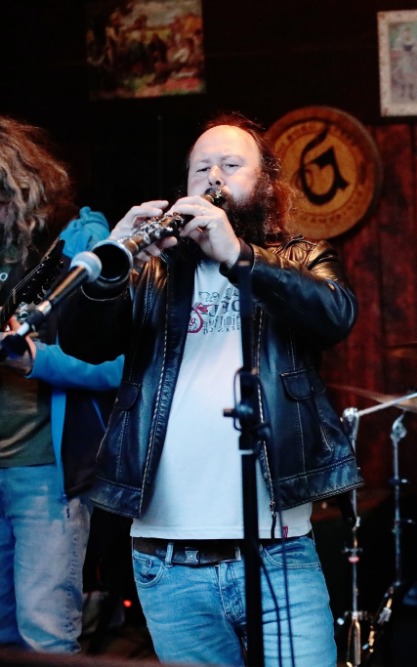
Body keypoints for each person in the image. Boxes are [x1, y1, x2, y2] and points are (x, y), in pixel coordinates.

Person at [60, 113, 363, 667]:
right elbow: (85, 343)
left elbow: (335, 314)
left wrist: (240, 257)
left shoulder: (300, 257)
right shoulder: (151, 270)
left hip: (277, 552)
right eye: (201, 168)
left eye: (230, 164)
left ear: (265, 184)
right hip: (165, 557)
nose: (214, 176)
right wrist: (112, 264)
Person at [0, 115, 123, 653]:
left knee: (45, 637)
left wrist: (37, 361)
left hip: (43, 473)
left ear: (19, 187)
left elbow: (119, 364)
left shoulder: (78, 243)